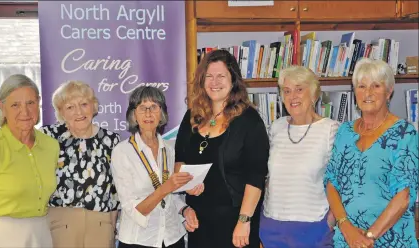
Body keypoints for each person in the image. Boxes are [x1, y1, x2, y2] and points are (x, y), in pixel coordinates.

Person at [174, 49, 269, 248]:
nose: (214, 82)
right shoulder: (192, 116)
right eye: (209, 76)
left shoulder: (250, 121)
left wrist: (244, 221)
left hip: (236, 224)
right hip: (199, 222)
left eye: (221, 76)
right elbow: (180, 161)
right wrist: (186, 184)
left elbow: (256, 176)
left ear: (233, 80)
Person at [324, 58, 419, 248]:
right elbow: (331, 182)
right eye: (361, 86)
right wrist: (346, 228)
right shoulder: (345, 131)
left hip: (391, 239)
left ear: (389, 91)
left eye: (376, 86)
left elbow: (404, 196)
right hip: (347, 238)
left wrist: (368, 237)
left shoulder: (404, 133)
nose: (367, 93)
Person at [0, 74, 59, 248]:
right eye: (15, 105)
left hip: (40, 235)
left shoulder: (51, 146)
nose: (25, 111)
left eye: (30, 103)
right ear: (2, 107)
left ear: (38, 103)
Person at [259, 66, 337, 247]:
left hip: (314, 228)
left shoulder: (330, 130)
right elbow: (267, 176)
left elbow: (343, 180)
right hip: (272, 226)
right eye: (286, 91)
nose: (292, 96)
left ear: (314, 94)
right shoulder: (275, 127)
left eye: (299, 89)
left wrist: (332, 219)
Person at [111, 86, 196, 248]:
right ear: (133, 115)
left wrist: (185, 210)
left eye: (154, 107)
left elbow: (170, 197)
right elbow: (132, 209)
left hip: (172, 237)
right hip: (139, 240)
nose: (148, 113)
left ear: (162, 114)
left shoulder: (170, 149)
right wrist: (166, 188)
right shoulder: (122, 152)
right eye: (142, 108)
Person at [40, 81, 121, 248]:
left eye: (84, 104)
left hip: (101, 224)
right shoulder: (48, 137)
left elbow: (115, 188)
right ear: (60, 112)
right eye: (70, 107)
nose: (79, 112)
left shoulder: (111, 140)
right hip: (61, 223)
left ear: (94, 106)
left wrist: (112, 225)